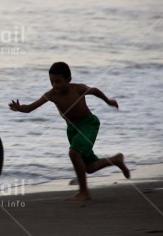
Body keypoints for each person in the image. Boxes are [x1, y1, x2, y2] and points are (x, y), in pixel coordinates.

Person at [9, 61, 130, 200]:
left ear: (68, 79)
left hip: (89, 125)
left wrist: (108, 101)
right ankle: (116, 160)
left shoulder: (78, 89)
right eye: (52, 82)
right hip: (73, 130)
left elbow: (95, 91)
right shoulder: (51, 95)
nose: (55, 85)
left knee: (74, 153)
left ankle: (84, 192)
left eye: (59, 81)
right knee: (89, 167)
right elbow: (30, 108)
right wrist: (20, 108)